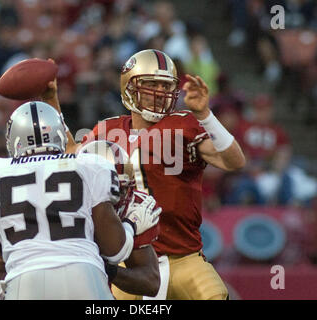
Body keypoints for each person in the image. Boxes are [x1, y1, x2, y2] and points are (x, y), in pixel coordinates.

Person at [44, 49, 245, 300]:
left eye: (166, 86)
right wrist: (52, 101)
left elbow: (234, 161)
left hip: (184, 257)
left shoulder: (183, 123)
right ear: (129, 87)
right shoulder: (108, 129)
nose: (160, 92)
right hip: (133, 263)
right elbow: (72, 157)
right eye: (151, 84)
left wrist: (205, 115)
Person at [0, 101, 160, 300]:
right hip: (86, 278)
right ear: (59, 134)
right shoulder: (91, 164)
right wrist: (131, 225)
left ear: (13, 140)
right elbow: (115, 252)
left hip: (25, 281)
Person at [78, 140, 161, 297]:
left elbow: (151, 282)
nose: (115, 198)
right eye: (109, 190)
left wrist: (105, 268)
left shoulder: (134, 209)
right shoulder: (60, 208)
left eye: (119, 190)